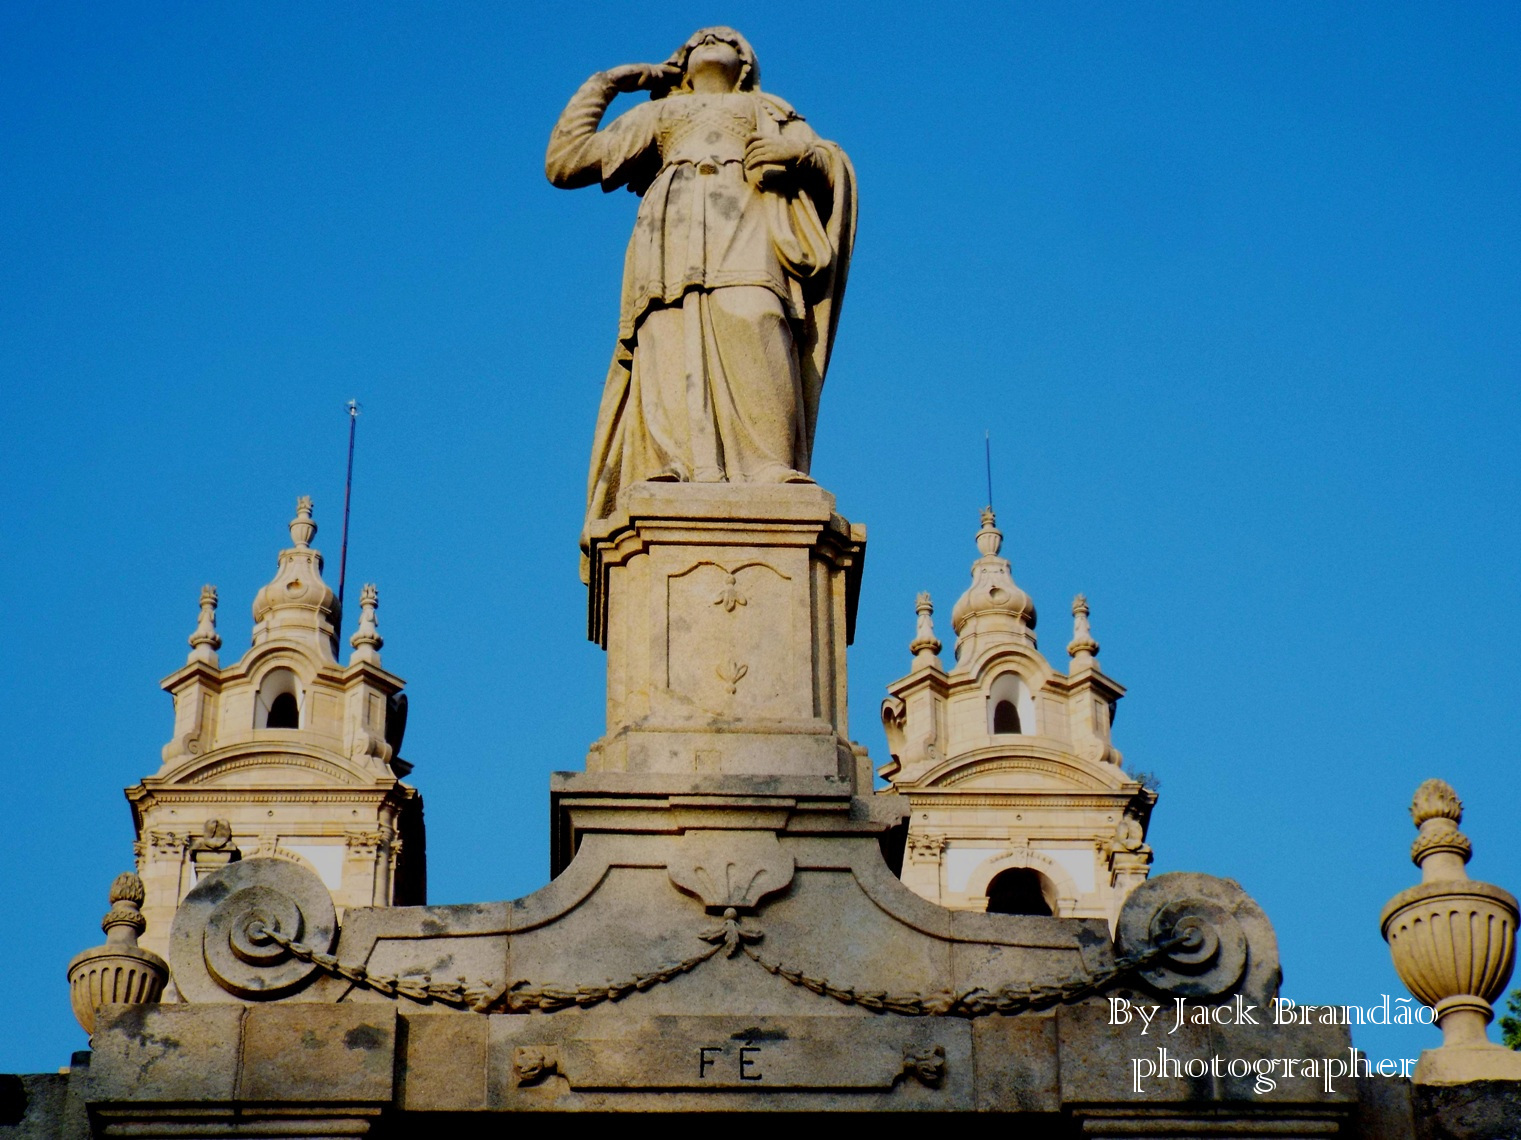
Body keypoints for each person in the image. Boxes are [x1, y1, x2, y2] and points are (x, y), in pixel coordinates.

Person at [546, 27, 856, 557]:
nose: (712, 36)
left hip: (752, 223)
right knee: (666, 333)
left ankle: (769, 465)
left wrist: (795, 156)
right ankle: (670, 464)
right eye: (697, 40)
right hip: (671, 232)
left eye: (729, 39)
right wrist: (611, 81)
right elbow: (566, 161)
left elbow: (830, 165)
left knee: (757, 317)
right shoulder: (660, 116)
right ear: (680, 69)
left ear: (746, 65)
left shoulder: (770, 108)